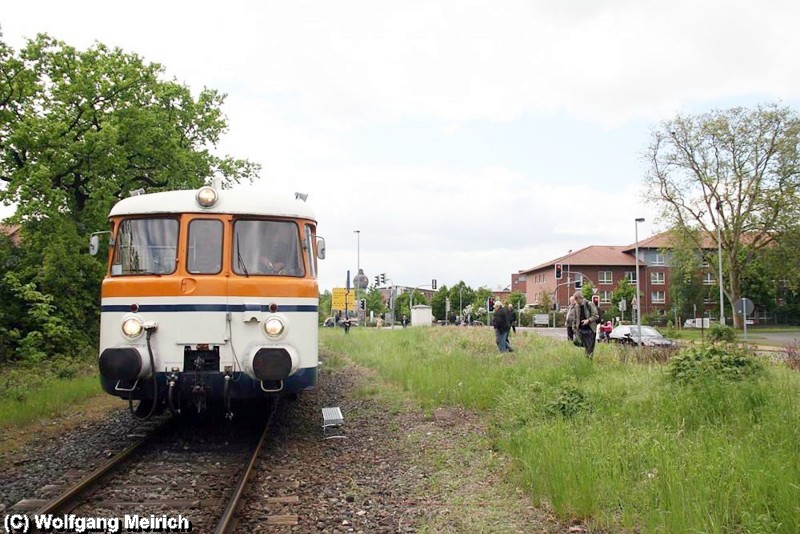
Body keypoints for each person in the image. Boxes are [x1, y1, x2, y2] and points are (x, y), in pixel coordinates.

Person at [569, 291, 599, 358]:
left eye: (577, 300)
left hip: (590, 329)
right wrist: (574, 328)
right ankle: (587, 357)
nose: (577, 302)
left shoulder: (589, 304)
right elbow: (575, 318)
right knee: (576, 342)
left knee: (589, 348)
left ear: (581, 298)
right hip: (580, 330)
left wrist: (588, 320)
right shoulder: (577, 306)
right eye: (576, 300)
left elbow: (596, 316)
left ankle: (588, 361)